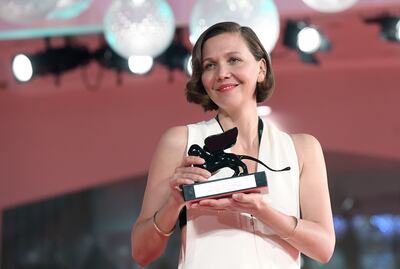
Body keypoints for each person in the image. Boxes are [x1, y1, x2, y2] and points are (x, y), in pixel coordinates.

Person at [131, 21, 335, 269]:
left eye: (234, 60)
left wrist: (262, 211)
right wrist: (174, 203)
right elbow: (142, 252)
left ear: (261, 69)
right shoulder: (180, 141)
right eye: (210, 65)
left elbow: (323, 248)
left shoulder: (302, 149)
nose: (221, 73)